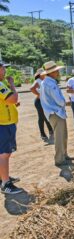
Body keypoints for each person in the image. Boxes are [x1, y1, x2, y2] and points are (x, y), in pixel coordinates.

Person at [40, 61, 73, 166]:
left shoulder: (45, 82)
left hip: (53, 113)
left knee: (63, 135)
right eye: (56, 71)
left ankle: (64, 155)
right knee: (60, 137)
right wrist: (66, 102)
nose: (58, 72)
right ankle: (59, 159)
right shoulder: (50, 83)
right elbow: (59, 101)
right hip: (56, 113)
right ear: (51, 72)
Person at [0, 61, 22, 194]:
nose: (5, 71)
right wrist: (12, 85)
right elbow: (12, 99)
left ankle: (3, 177)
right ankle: (6, 184)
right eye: (3, 68)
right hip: (4, 124)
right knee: (4, 154)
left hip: (4, 122)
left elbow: (7, 102)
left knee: (3, 153)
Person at [30, 68, 54, 141]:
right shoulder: (38, 81)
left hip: (43, 101)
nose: (45, 75)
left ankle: (50, 130)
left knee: (46, 116)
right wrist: (39, 95)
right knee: (41, 118)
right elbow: (32, 88)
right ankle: (42, 134)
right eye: (43, 74)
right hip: (39, 102)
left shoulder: (43, 81)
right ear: (40, 75)